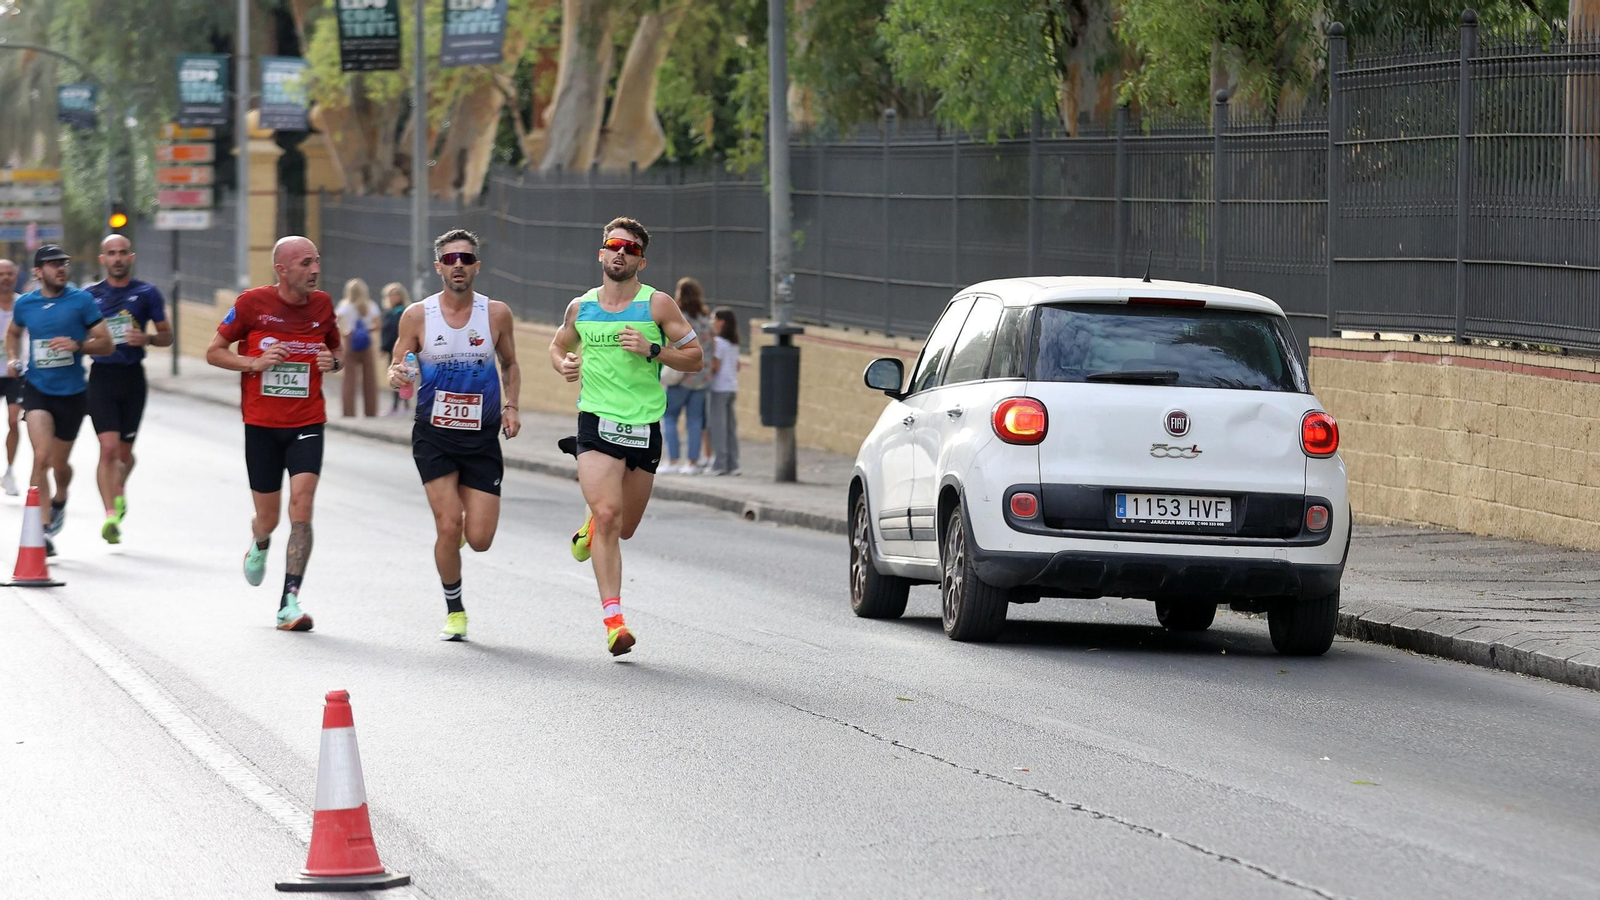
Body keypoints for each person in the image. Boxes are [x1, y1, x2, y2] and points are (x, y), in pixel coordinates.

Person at [551, 217, 703, 656]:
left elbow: (695, 358)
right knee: (609, 513)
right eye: (614, 245)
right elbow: (559, 345)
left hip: (644, 426)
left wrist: (654, 349)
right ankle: (615, 623)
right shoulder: (581, 307)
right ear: (601, 253)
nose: (621, 253)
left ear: (641, 261)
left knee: (625, 528)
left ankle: (591, 525)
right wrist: (564, 364)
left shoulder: (658, 305)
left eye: (631, 249)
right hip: (596, 421)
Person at [387, 229, 521, 641]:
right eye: (449, 259)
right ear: (438, 267)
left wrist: (512, 406)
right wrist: (398, 376)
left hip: (481, 437)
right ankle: (455, 610)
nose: (457, 265)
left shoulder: (496, 314)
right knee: (449, 526)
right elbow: (398, 365)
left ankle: (458, 538)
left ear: (477, 266)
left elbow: (510, 363)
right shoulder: (417, 315)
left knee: (479, 539)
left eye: (465, 258)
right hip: (434, 436)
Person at [205, 236, 342, 632]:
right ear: (281, 269)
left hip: (307, 422)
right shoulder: (252, 304)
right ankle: (260, 541)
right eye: (305, 263)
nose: (315, 270)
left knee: (303, 505)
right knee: (268, 517)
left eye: (316, 261)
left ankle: (289, 602)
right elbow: (214, 351)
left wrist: (332, 362)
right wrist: (254, 362)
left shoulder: (323, 305)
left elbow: (337, 352)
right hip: (262, 426)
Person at [3, 245, 114, 554]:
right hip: (37, 389)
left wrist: (78, 345)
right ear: (38, 272)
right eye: (53, 264)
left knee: (58, 464)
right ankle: (43, 529)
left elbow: (106, 344)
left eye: (63, 263)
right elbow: (13, 333)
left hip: (73, 393)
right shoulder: (26, 304)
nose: (60, 268)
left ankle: (61, 497)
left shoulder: (81, 301)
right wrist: (12, 358)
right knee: (40, 457)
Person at [85, 234, 173, 544]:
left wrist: (147, 339)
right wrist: (90, 342)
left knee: (124, 455)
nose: (118, 258)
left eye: (123, 252)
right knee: (108, 449)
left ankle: (118, 489)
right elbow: (76, 334)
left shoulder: (147, 293)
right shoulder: (89, 296)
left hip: (132, 378)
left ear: (131, 257)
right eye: (111, 253)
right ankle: (110, 515)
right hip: (102, 377)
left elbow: (167, 336)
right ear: (103, 259)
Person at [661, 277, 713, 474]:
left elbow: (671, 346)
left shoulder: (679, 320)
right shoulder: (706, 320)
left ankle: (673, 460)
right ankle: (692, 463)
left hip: (680, 377)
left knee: (669, 417)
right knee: (695, 421)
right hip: (701, 378)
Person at [335, 278, 381, 418]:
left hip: (350, 342)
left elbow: (335, 321)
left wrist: (345, 332)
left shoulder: (345, 306)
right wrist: (366, 330)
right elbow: (377, 325)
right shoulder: (371, 305)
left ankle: (348, 412)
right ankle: (371, 412)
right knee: (370, 379)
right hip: (366, 343)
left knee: (349, 379)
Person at [0, 258, 25, 496]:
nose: (5, 278)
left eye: (9, 273)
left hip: (15, 372)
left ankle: (9, 471)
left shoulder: (24, 304)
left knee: (13, 421)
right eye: (1, 274)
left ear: (16, 277)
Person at [706, 307, 741, 476]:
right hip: (731, 387)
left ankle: (719, 464)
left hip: (718, 388)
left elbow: (715, 366)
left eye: (714, 319)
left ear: (721, 322)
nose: (712, 322)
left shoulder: (718, 342)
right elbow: (738, 365)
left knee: (717, 427)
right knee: (730, 427)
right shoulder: (734, 343)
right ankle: (733, 464)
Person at [378, 282, 409, 416]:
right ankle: (397, 405)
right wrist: (384, 348)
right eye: (390, 294)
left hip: (402, 349)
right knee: (395, 376)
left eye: (396, 294)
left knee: (403, 376)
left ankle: (402, 405)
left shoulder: (402, 312)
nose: (393, 297)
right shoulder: (388, 312)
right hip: (391, 349)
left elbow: (396, 333)